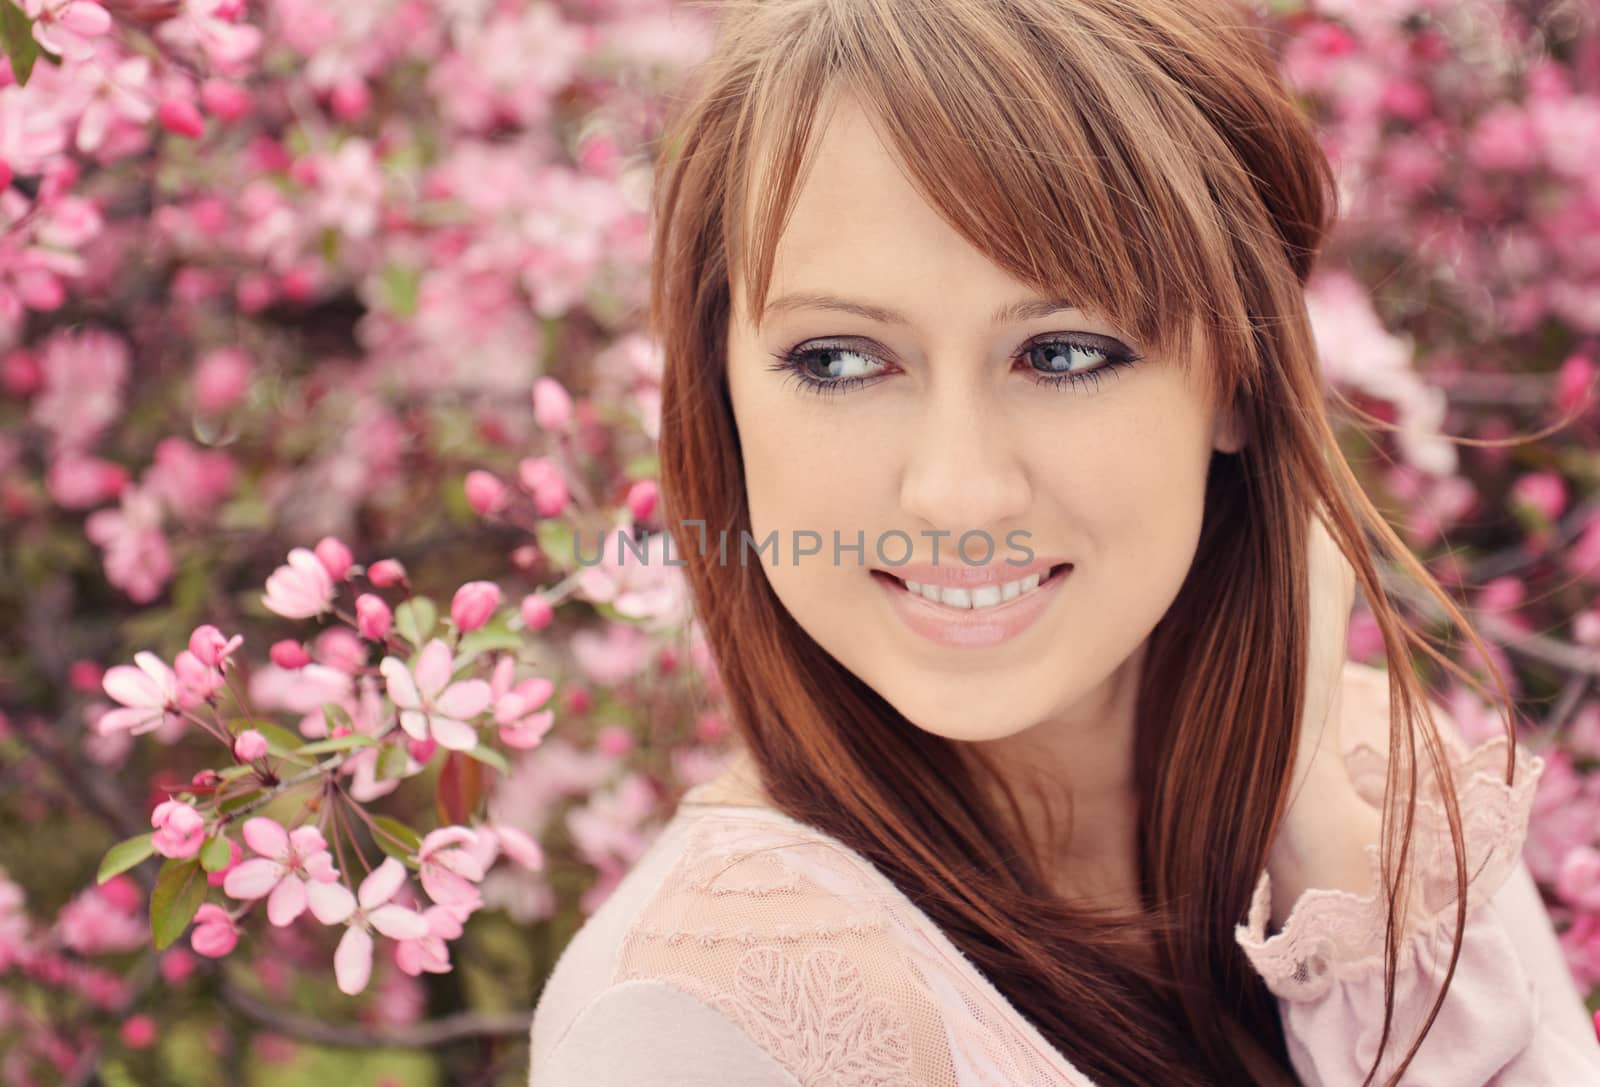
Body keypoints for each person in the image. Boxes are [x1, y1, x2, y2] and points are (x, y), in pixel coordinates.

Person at [529, 0, 1600, 1083]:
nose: (957, 493)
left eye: (1064, 353)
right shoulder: (696, 1021)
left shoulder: (1385, 798)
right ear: (720, 390)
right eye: (841, 361)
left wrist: (1320, 821)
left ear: (1237, 376)